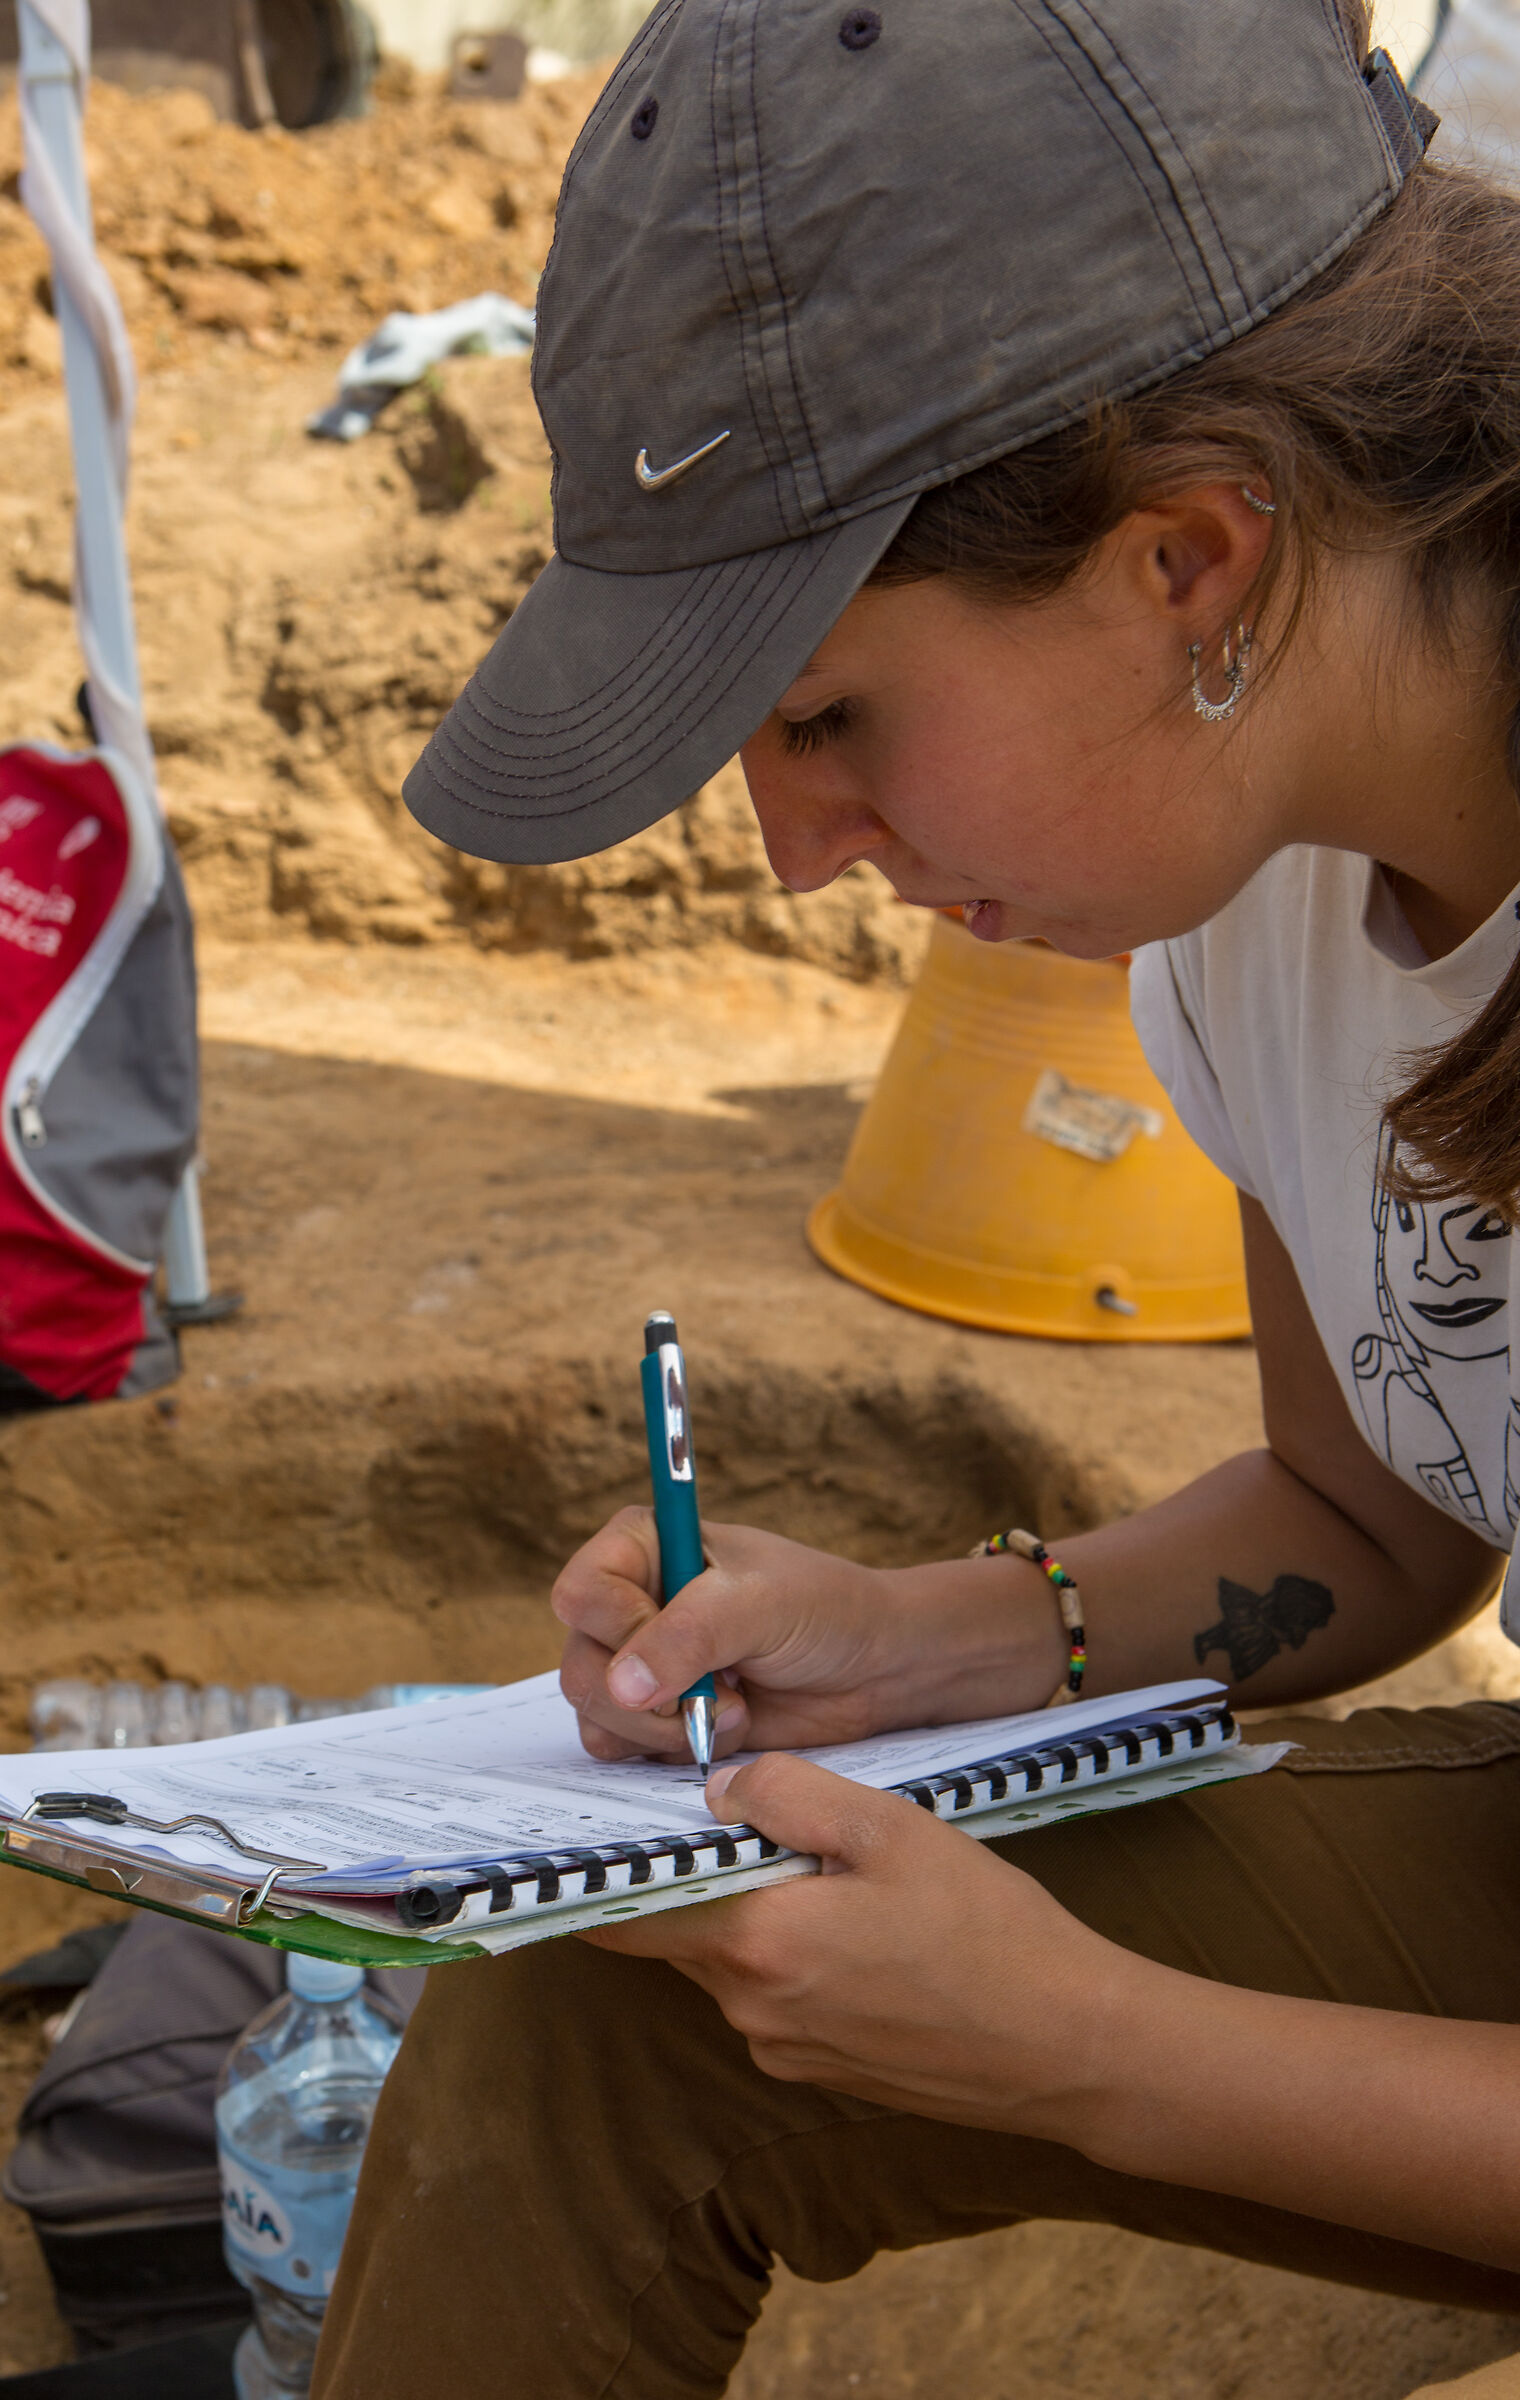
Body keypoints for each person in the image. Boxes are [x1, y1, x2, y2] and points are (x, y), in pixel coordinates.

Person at [313, 1, 1520, 2390]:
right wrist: (921, 1634)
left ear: (1191, 562)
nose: (790, 855)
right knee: (628, 2016)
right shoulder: (1256, 903)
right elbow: (1367, 1514)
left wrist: (1081, 2040)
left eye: (826, 718)